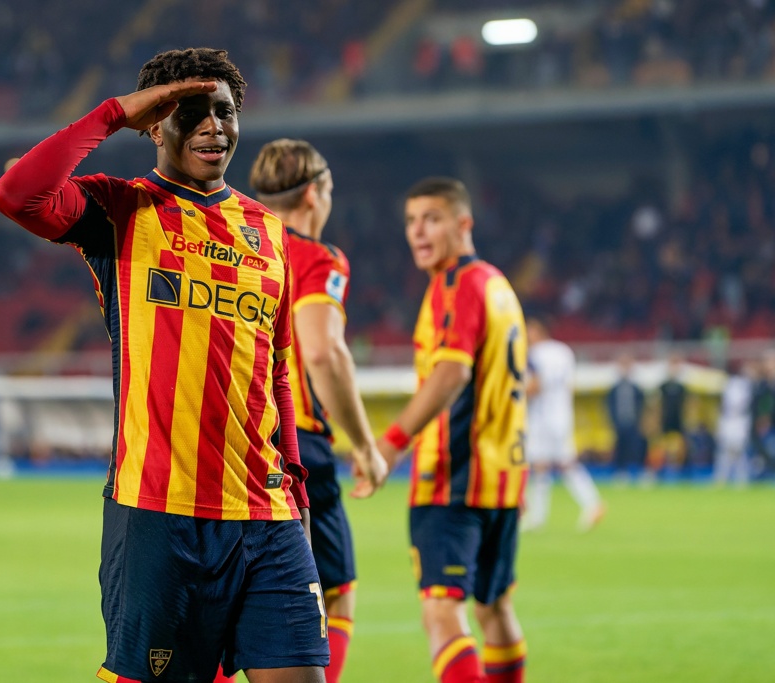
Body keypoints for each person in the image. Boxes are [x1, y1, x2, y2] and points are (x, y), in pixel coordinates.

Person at [0, 48, 327, 683]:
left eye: (224, 112)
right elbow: (16, 193)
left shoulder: (269, 232)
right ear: (154, 123)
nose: (213, 126)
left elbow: (277, 374)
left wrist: (300, 495)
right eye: (190, 112)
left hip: (267, 516)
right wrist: (114, 113)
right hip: (158, 514)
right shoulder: (121, 210)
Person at [247, 139, 389, 683]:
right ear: (314, 194)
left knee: (224, 599)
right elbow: (324, 351)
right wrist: (366, 446)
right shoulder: (316, 257)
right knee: (336, 589)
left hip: (228, 441)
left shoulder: (233, 242)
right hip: (295, 446)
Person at [377, 177, 528, 683]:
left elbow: (452, 372)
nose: (418, 232)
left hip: (451, 477)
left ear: (464, 224)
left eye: (432, 219)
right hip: (502, 478)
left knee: (442, 612)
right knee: (494, 608)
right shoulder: (497, 284)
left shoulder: (456, 284)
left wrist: (391, 444)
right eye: (411, 221)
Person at [521, 315, 605, 532]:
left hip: (542, 415)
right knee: (559, 463)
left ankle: (588, 504)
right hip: (562, 413)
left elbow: (536, 386)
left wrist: (516, 397)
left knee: (543, 465)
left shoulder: (534, 354)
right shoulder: (564, 351)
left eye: (530, 330)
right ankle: (587, 504)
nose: (527, 335)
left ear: (539, 330)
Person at [714, 359, 755, 486]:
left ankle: (741, 478)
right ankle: (721, 478)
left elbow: (742, 404)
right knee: (724, 450)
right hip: (727, 419)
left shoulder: (744, 384)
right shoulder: (725, 384)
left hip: (739, 420)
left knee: (738, 450)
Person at [606, 354, 646, 483]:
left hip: (634, 422)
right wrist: (613, 421)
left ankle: (639, 471)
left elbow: (641, 405)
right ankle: (620, 472)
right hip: (619, 422)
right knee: (620, 447)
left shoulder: (636, 388)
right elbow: (609, 406)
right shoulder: (614, 388)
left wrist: (640, 420)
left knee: (636, 446)